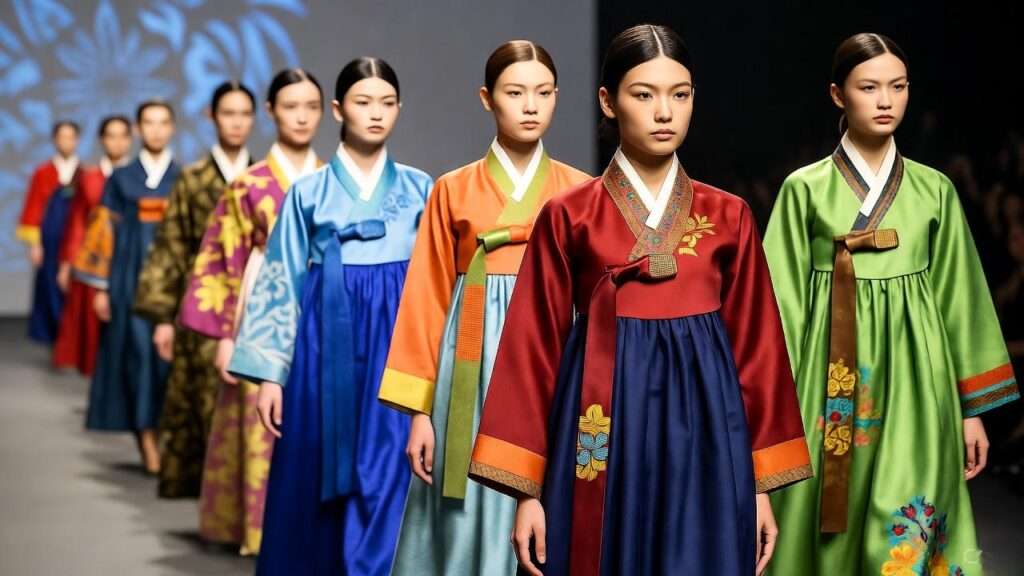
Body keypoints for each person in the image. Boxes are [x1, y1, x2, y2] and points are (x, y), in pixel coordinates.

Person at [469, 24, 810, 576]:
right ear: (608, 101)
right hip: (599, 427)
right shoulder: (569, 215)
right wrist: (526, 494)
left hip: (706, 437)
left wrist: (761, 488)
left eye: (680, 94)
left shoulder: (729, 217)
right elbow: (530, 351)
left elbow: (760, 353)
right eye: (644, 94)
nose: (664, 112)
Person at [764, 33, 1019, 574]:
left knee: (907, 519)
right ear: (838, 95)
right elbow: (776, 304)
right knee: (827, 515)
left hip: (918, 385)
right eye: (869, 87)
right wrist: (767, 415)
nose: (886, 101)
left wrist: (973, 409)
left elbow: (961, 298)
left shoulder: (934, 191)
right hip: (825, 383)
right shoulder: (803, 191)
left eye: (898, 87)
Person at [379, 39, 590, 575]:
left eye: (543, 93)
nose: (530, 106)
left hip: (552, 354)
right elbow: (425, 297)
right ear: (486, 98)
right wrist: (420, 413)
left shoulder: (580, 192)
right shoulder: (452, 189)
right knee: (463, 509)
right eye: (515, 92)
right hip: (469, 363)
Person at [229, 57, 433, 574]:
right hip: (321, 351)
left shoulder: (418, 189)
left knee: (388, 470)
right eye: (364, 103)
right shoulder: (308, 193)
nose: (376, 114)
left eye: (387, 104)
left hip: (396, 348)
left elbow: (435, 287)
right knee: (315, 467)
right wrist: (271, 376)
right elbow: (281, 280)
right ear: (340, 110)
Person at [177, 68, 324, 554]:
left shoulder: (333, 180)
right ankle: (260, 530)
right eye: (290, 107)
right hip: (263, 312)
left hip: (325, 311)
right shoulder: (248, 184)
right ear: (271, 112)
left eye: (311, 107)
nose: (301, 118)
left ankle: (311, 527)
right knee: (260, 424)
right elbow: (223, 259)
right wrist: (224, 336)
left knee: (316, 419)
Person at [133, 81, 256, 498]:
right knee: (204, 400)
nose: (236, 122)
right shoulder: (192, 179)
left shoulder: (264, 178)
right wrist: (163, 318)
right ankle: (214, 498)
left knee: (252, 407)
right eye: (228, 113)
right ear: (212, 117)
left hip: (257, 305)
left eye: (244, 114)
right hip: (204, 308)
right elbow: (171, 245)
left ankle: (246, 497)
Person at [81, 100, 180, 474]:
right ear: (139, 130)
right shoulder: (121, 178)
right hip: (128, 282)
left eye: (163, 122)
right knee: (138, 360)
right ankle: (147, 438)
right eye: (149, 123)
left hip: (173, 286)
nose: (156, 130)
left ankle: (170, 438)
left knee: (169, 364)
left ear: (172, 128)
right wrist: (102, 287)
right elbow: (102, 235)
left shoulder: (182, 177)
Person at [54, 115, 132, 375]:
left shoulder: (138, 177)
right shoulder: (89, 178)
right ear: (102, 140)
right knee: (92, 328)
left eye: (123, 135)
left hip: (130, 259)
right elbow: (77, 221)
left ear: (130, 140)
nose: (117, 142)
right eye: (111, 135)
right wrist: (67, 262)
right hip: (94, 263)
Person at [17, 121, 81, 343]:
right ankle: (53, 335)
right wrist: (35, 244)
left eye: (71, 137)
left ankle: (72, 337)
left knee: (75, 286)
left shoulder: (84, 172)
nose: (66, 141)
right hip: (51, 237)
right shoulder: (43, 172)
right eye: (62, 137)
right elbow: (33, 206)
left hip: (77, 237)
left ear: (77, 140)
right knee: (50, 285)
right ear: (55, 140)